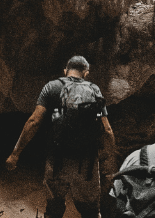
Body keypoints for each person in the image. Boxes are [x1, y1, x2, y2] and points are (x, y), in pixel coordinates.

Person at [6, 56, 118, 218]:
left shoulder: (51, 87)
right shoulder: (94, 90)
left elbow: (34, 121)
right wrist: (109, 162)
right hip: (87, 163)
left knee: (54, 209)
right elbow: (106, 130)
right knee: (90, 212)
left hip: (56, 161)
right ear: (86, 73)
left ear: (65, 71)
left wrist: (15, 154)